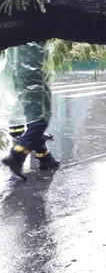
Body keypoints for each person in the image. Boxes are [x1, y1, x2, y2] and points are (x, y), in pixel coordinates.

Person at [1, 41, 60, 179]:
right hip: (32, 74)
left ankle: (45, 158)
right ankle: (17, 155)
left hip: (20, 72)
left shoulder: (17, 26)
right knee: (40, 120)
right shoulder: (35, 25)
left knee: (34, 119)